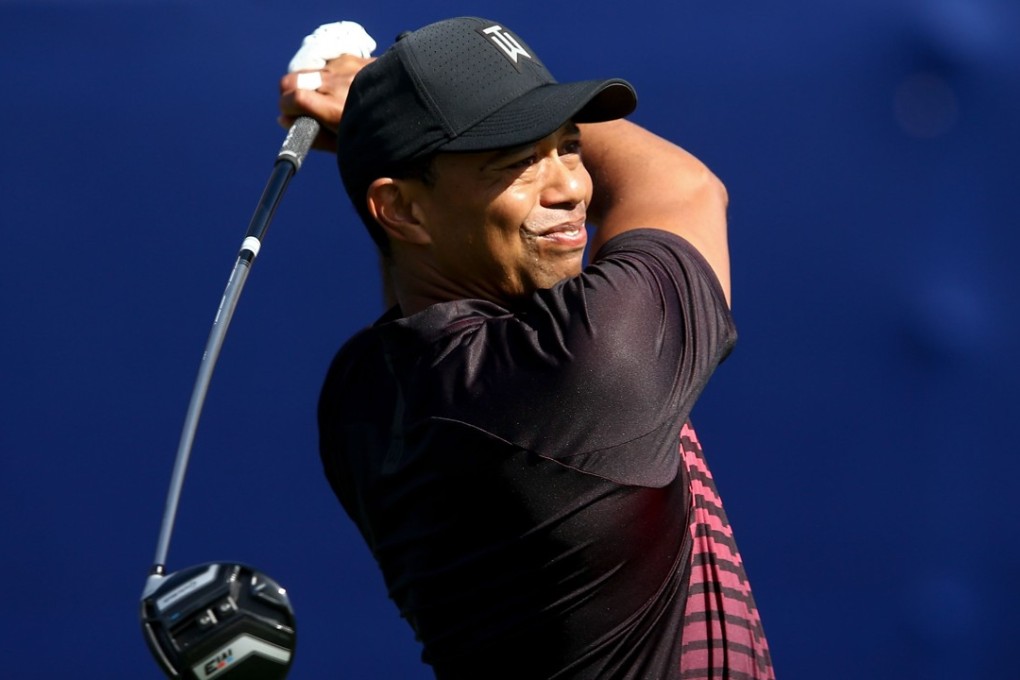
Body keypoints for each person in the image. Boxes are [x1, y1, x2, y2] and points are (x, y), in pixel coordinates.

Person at [278, 16, 774, 679]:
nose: (570, 187)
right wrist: (372, 90)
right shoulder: (583, 366)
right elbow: (685, 188)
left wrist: (385, 126)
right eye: (516, 161)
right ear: (401, 210)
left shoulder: (358, 394)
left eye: (568, 146)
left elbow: (418, 272)